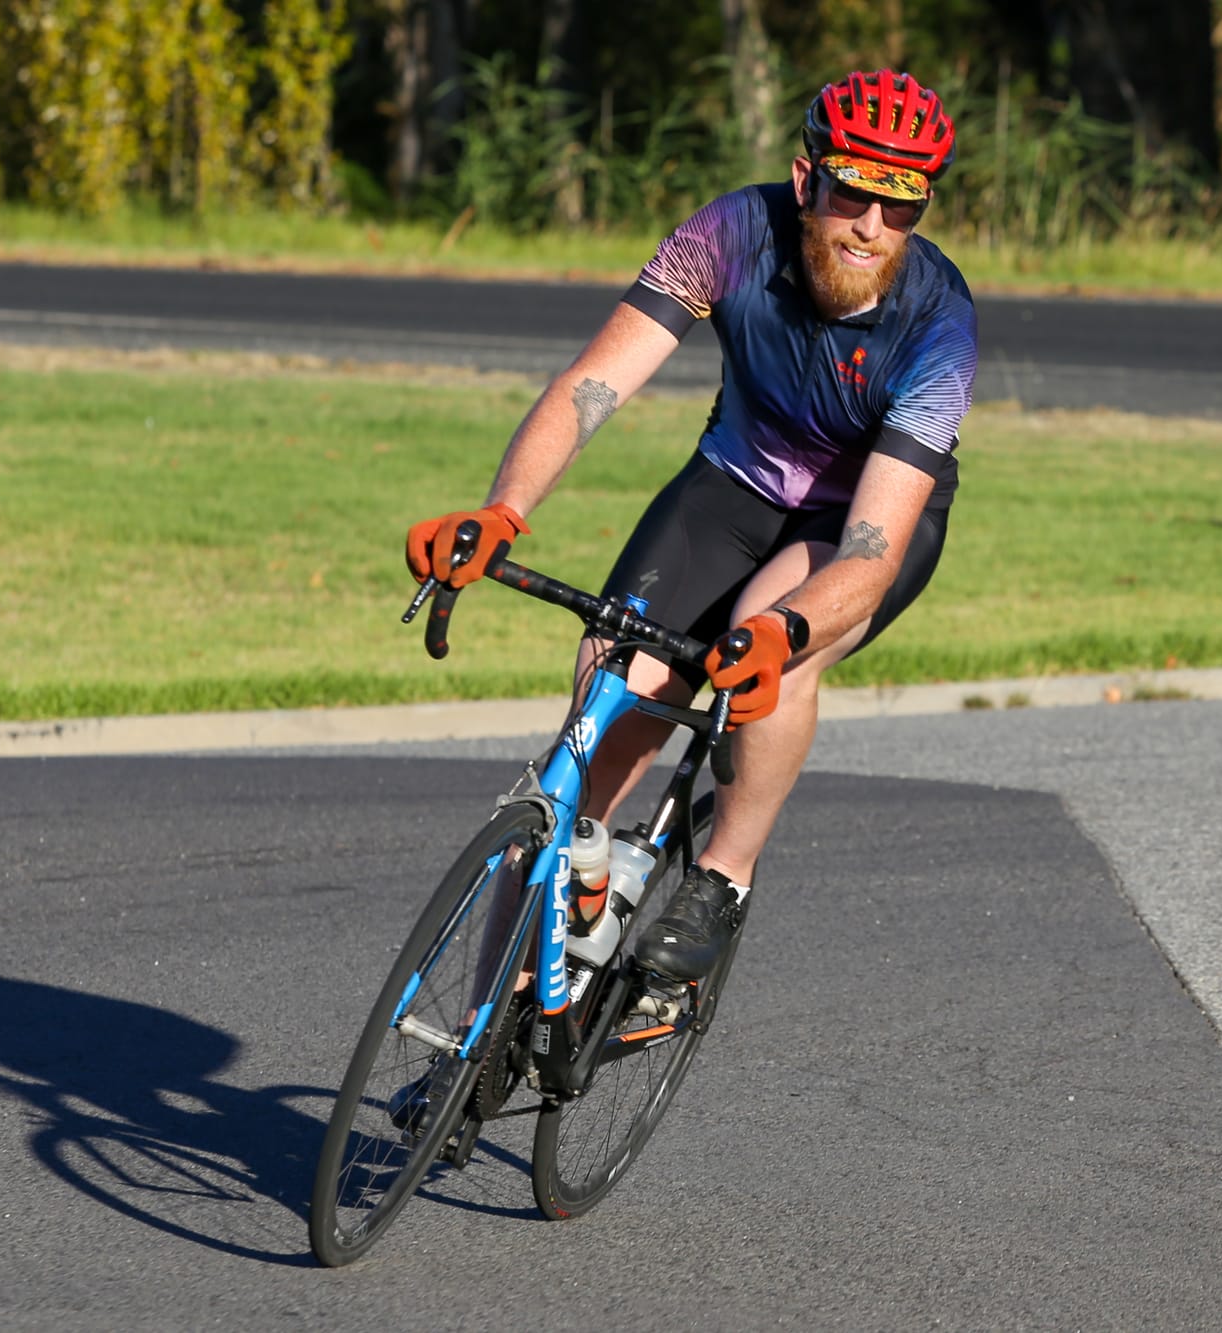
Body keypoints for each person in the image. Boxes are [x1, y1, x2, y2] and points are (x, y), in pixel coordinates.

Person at [406, 68, 977, 983]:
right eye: (853, 192)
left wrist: (782, 629)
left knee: (771, 649)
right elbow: (594, 385)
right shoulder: (731, 233)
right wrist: (502, 509)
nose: (872, 226)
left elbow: (872, 554)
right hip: (730, 489)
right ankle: (474, 1050)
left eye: (901, 205)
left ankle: (723, 873)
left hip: (859, 521)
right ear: (807, 181)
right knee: (595, 720)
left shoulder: (938, 323)